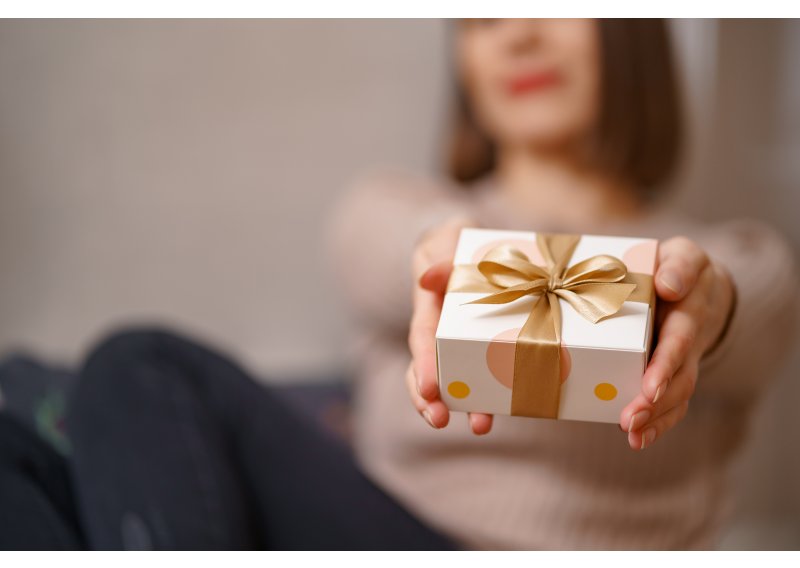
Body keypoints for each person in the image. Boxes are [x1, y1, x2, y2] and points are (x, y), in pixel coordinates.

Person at [325, 19, 800, 549]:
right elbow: (383, 248)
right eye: (484, 18)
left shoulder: (740, 259)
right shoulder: (393, 209)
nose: (518, 37)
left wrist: (706, 310)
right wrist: (441, 251)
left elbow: (755, 303)